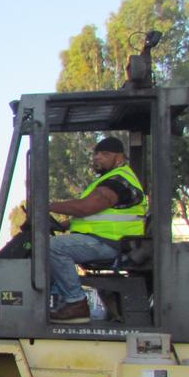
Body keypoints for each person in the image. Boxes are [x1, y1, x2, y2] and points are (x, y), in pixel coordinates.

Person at [47, 137, 146, 323]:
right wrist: (63, 225)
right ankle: (58, 300)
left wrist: (47, 206)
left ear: (118, 158)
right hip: (105, 240)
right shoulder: (110, 179)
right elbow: (92, 215)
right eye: (96, 154)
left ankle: (75, 304)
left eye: (104, 154)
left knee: (53, 247)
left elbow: (86, 207)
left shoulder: (119, 182)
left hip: (110, 243)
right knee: (51, 246)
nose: (97, 158)